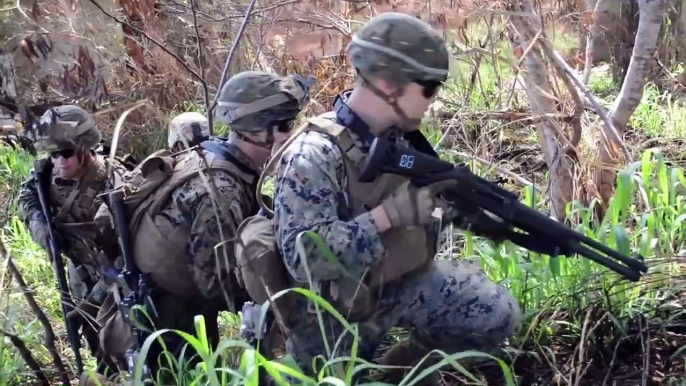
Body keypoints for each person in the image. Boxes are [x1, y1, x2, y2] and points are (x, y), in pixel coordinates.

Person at [270, 12, 521, 384]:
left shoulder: (397, 139)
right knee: (326, 379)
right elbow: (304, 258)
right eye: (430, 88)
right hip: (330, 313)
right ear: (389, 85)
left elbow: (436, 204)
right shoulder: (313, 155)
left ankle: (398, 374)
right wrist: (387, 217)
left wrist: (482, 217)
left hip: (395, 282)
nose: (434, 100)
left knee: (495, 312)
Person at [82, 71, 312, 385]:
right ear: (257, 131)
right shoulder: (220, 191)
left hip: (171, 305)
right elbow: (216, 286)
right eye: (286, 125)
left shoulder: (213, 157)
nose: (292, 133)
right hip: (170, 323)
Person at [17, 105, 129, 375]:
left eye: (66, 154)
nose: (59, 161)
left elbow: (129, 252)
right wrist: (39, 225)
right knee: (96, 348)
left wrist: (92, 300)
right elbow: (26, 198)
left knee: (124, 345)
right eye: (54, 154)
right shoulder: (47, 174)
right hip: (79, 272)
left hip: (116, 281)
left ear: (85, 150)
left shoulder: (113, 182)